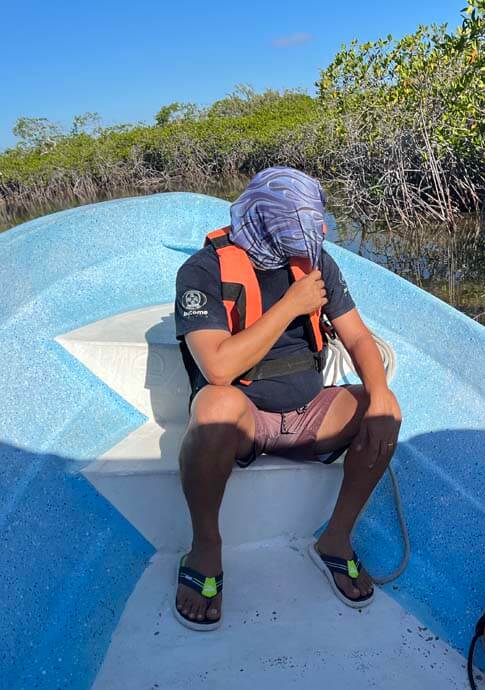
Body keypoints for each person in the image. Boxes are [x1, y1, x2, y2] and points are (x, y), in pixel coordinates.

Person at [172, 167, 402, 630]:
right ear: (259, 217)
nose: (304, 238)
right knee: (214, 405)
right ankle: (205, 547)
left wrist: (377, 398)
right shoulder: (203, 270)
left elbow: (358, 339)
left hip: (310, 411)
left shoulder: (316, 261)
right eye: (291, 226)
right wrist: (290, 306)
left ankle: (336, 539)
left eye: (310, 225)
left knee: (387, 407)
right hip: (244, 416)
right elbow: (217, 367)